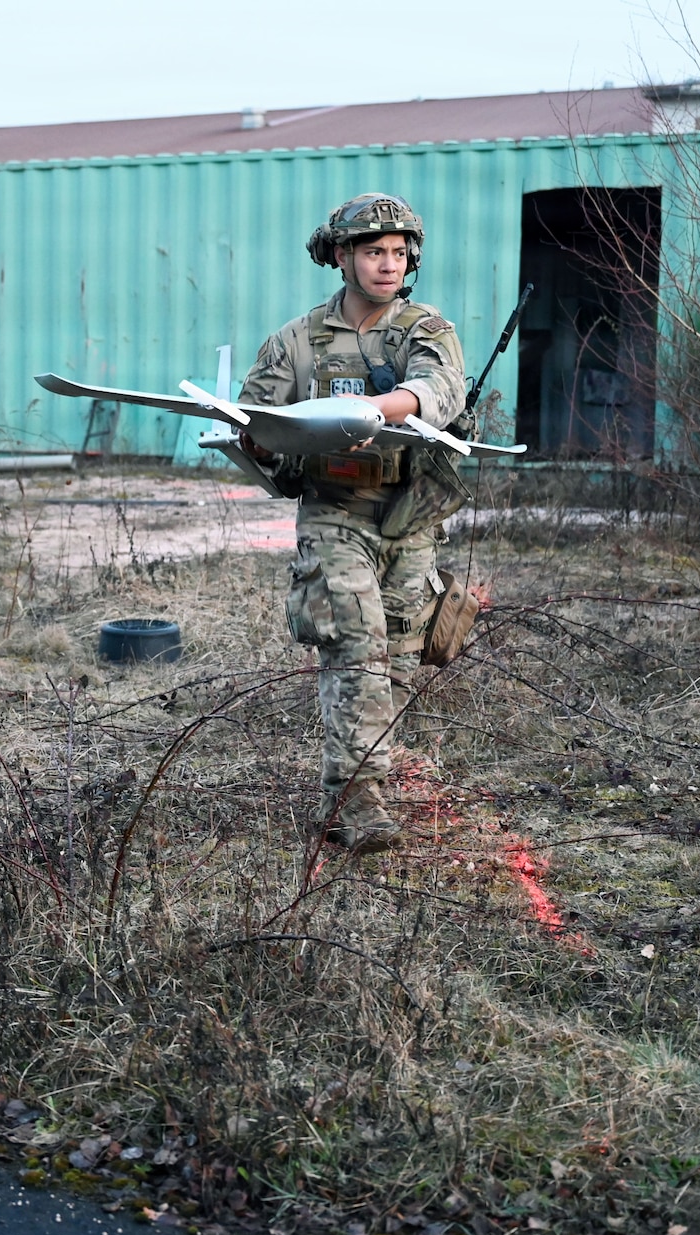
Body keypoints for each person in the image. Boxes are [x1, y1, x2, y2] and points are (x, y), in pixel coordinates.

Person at [238, 193, 468, 852]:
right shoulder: (294, 342)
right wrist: (259, 440)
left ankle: (341, 799)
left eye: (398, 252)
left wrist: (384, 407)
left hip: (410, 513)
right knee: (354, 645)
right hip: (334, 513)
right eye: (373, 252)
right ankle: (364, 802)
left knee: (393, 661)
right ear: (342, 257)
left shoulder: (425, 327)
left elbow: (440, 389)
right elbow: (255, 422)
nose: (387, 264)